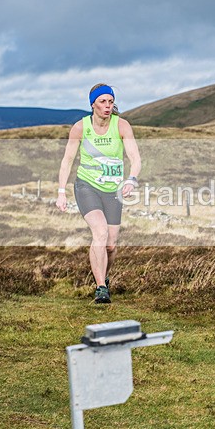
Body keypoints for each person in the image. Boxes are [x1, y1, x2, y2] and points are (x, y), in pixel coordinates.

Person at [56, 84, 141, 304]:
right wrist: (61, 192)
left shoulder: (121, 126)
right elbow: (67, 161)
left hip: (113, 190)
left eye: (110, 102)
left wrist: (131, 179)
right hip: (87, 187)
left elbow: (135, 158)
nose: (107, 106)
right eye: (102, 102)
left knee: (111, 245)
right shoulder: (80, 128)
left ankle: (104, 275)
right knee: (100, 233)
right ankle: (101, 287)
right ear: (92, 103)